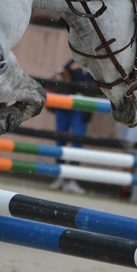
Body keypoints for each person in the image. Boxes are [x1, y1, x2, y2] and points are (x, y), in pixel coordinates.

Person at [47, 59, 94, 195]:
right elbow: (59, 78)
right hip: (63, 104)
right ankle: (60, 176)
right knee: (60, 139)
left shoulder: (96, 65)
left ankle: (71, 179)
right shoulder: (73, 61)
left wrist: (76, 72)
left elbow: (90, 85)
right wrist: (69, 70)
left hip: (82, 106)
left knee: (77, 142)